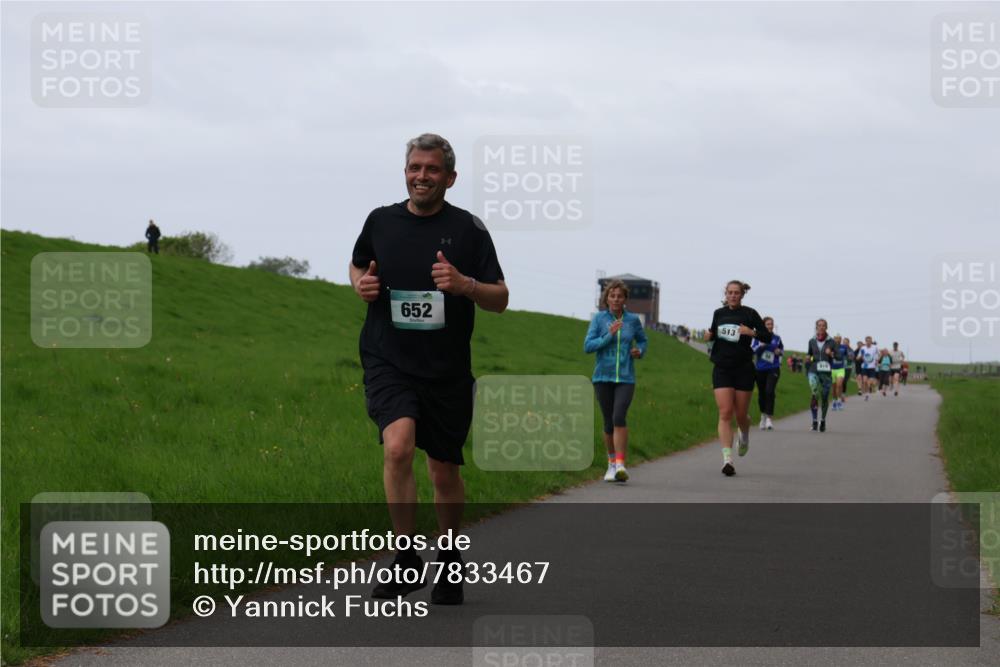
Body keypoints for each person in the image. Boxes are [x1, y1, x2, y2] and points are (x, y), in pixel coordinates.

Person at [349, 133, 508, 605]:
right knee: (397, 447)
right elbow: (357, 266)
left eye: (432, 169)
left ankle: (450, 559)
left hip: (445, 368)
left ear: (450, 178)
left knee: (443, 471)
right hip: (388, 356)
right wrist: (362, 284)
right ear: (405, 172)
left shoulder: (469, 230)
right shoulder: (380, 221)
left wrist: (465, 285)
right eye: (415, 167)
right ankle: (404, 560)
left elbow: (500, 298)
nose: (422, 176)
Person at [704, 280, 772, 476]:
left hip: (743, 368)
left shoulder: (750, 313)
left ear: (742, 295)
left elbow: (767, 337)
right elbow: (714, 333)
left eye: (736, 293)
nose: (732, 296)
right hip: (722, 367)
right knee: (725, 412)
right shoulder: (719, 313)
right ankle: (728, 459)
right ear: (725, 294)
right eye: (730, 292)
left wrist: (751, 332)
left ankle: (745, 434)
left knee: (740, 414)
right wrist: (709, 336)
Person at [584, 279, 648, 483]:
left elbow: (643, 340)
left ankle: (621, 463)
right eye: (612, 296)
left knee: (619, 416)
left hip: (626, 378)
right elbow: (588, 346)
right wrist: (608, 336)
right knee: (608, 422)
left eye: (619, 296)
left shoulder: (633, 320)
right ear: (606, 298)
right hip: (602, 376)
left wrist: (640, 351)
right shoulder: (599, 320)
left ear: (625, 299)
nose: (616, 299)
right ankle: (611, 463)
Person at [751, 316, 783, 430]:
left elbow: (781, 351)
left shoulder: (777, 338)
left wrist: (779, 351)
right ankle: (763, 416)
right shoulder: (757, 338)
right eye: (768, 324)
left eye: (771, 324)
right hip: (760, 369)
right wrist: (761, 346)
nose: (770, 326)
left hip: (773, 368)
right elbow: (753, 350)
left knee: (770, 391)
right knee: (762, 394)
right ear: (763, 325)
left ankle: (769, 418)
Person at [806, 319, 836, 432]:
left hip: (826, 372)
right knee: (814, 392)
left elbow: (838, 356)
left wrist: (832, 354)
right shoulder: (811, 341)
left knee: (824, 396)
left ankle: (822, 420)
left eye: (823, 325)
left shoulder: (831, 342)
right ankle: (814, 421)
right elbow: (809, 353)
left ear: (826, 327)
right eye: (819, 325)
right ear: (816, 327)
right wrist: (808, 357)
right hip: (813, 370)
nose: (821, 327)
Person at [829, 334, 846, 411]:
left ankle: (839, 401)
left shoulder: (844, 347)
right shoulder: (830, 348)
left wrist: (850, 357)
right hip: (832, 369)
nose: (837, 340)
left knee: (839, 385)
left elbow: (850, 355)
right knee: (834, 387)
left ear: (841, 339)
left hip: (840, 369)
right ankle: (834, 401)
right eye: (836, 338)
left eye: (839, 338)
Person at [859, 336, 879, 401]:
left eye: (869, 341)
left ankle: (869, 390)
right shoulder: (863, 348)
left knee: (870, 382)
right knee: (864, 381)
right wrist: (860, 357)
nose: (868, 342)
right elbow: (860, 356)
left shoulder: (875, 347)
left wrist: (877, 360)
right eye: (867, 341)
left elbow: (880, 354)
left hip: (872, 367)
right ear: (865, 341)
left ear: (871, 341)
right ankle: (866, 394)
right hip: (865, 367)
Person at [840, 337, 855, 407]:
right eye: (844, 342)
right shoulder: (840, 348)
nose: (845, 343)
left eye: (846, 342)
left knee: (844, 381)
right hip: (840, 367)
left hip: (848, 367)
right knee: (840, 381)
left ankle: (843, 395)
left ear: (848, 343)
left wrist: (847, 356)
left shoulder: (850, 350)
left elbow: (852, 358)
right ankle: (840, 395)